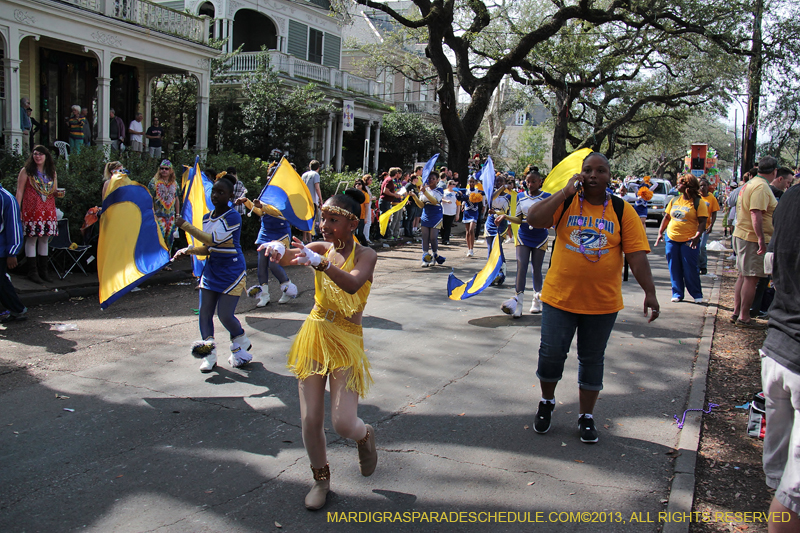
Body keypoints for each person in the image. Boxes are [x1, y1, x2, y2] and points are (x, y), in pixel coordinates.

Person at [526, 152, 659, 444]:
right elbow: (533, 219)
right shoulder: (567, 202)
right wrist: (565, 192)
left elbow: (637, 256)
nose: (593, 175)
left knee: (591, 360)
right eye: (588, 170)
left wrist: (650, 292)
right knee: (550, 355)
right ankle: (547, 402)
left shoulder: (623, 210)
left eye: (601, 170)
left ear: (610, 176)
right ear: (580, 174)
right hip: (559, 299)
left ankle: (586, 416)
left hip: (601, 303)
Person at [258, 189, 378, 511]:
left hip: (347, 339)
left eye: (333, 220)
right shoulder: (321, 248)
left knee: (343, 423)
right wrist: (276, 250)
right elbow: (290, 257)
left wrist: (321, 264)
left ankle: (364, 435)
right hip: (314, 334)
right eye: (323, 218)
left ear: (352, 224)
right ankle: (321, 480)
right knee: (310, 418)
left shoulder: (366, 255)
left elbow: (352, 283)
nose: (324, 225)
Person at [174, 174, 253, 373]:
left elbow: (212, 240)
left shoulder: (233, 216)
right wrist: (189, 250)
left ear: (230, 196)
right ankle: (209, 354)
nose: (215, 195)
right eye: (214, 192)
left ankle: (241, 338)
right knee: (204, 312)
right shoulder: (206, 217)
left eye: (221, 192)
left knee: (225, 315)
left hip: (232, 271)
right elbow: (209, 248)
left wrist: (184, 225)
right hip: (212, 269)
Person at [759, 183, 800, 533]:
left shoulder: (791, 197)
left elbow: (770, 262)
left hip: (777, 346)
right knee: (793, 496)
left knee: (782, 477)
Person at [732, 156, 779, 328]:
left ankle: (737, 312)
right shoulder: (760, 187)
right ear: (774, 171)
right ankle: (744, 316)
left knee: (744, 276)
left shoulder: (751, 183)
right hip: (751, 237)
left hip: (743, 234)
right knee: (751, 278)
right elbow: (755, 213)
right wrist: (761, 239)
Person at [498, 167, 551, 317]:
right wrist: (505, 217)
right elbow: (518, 218)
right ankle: (518, 304)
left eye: (534, 181)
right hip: (524, 235)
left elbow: (551, 217)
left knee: (536, 268)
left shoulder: (547, 197)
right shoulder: (521, 196)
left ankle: (536, 300)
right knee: (521, 267)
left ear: (540, 182)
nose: (530, 184)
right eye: (528, 181)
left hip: (540, 236)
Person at [236, 190, 298, 308]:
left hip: (280, 235)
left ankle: (287, 289)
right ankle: (264, 295)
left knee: (274, 264)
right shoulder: (267, 194)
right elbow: (260, 212)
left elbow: (278, 212)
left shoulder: (285, 198)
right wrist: (246, 201)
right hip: (265, 233)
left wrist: (262, 206)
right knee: (262, 265)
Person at [654, 174, 708, 303]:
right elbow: (667, 217)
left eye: (681, 183)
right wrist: (660, 232)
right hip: (671, 238)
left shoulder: (698, 202)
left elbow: (702, 222)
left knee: (690, 268)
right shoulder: (674, 200)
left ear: (688, 186)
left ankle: (696, 294)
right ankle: (677, 293)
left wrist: (698, 235)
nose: (678, 185)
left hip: (689, 240)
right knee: (674, 267)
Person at [15, 146, 59, 284]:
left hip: (47, 209)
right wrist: (17, 209)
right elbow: (20, 191)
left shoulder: (51, 172)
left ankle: (43, 271)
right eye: (35, 154)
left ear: (46, 156)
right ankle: (32, 272)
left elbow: (54, 190)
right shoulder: (27, 171)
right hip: (32, 209)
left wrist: (58, 193)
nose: (37, 156)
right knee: (32, 238)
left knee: (44, 239)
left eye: (40, 154)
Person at [0, 171, 27, 323]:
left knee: (1, 282)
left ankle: (17, 309)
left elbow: (14, 227)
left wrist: (12, 252)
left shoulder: (7, 198)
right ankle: (17, 309)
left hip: (2, 249)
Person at [409, 171, 445, 267]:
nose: (431, 180)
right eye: (429, 178)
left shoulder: (439, 190)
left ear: (437, 180)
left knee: (433, 237)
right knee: (425, 237)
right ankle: (425, 258)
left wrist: (425, 192)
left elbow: (435, 201)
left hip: (436, 215)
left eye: (433, 179)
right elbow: (421, 205)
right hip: (426, 214)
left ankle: (434, 255)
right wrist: (415, 196)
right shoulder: (424, 189)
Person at [484, 175, 512, 285]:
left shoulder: (508, 197)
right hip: (490, 223)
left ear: (505, 183)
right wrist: (500, 188)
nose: (499, 183)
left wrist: (495, 212)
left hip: (501, 224)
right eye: (497, 181)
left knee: (497, 247)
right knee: (490, 249)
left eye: (501, 181)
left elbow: (504, 211)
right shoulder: (492, 194)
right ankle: (490, 274)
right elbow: (492, 199)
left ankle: (501, 270)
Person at [148, 160, 180, 255]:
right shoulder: (153, 182)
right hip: (158, 215)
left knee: (170, 240)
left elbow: (176, 198)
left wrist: (177, 214)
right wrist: (152, 213)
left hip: (171, 216)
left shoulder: (174, 183)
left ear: (170, 170)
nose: (164, 170)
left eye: (166, 169)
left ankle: (167, 259)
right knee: (159, 239)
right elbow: (150, 198)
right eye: (162, 168)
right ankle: (158, 260)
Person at [697, 177, 720, 276]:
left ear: (708, 187)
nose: (702, 187)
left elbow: (714, 213)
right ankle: (696, 266)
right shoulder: (697, 197)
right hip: (695, 226)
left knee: (702, 247)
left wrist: (711, 225)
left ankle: (703, 266)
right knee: (696, 247)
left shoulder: (711, 198)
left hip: (705, 227)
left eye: (704, 185)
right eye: (701, 185)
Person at [458, 176, 485, 257]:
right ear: (468, 182)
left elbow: (484, 194)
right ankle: (469, 249)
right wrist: (462, 202)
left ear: (475, 182)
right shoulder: (466, 190)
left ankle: (472, 249)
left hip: (474, 211)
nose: (472, 183)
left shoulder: (477, 191)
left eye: (473, 182)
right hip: (467, 211)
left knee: (471, 229)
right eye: (470, 181)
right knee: (467, 231)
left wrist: (484, 205)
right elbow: (458, 192)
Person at [379, 168, 404, 240]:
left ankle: (389, 235)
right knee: (387, 219)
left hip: (388, 201)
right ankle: (384, 235)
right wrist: (394, 195)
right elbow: (385, 191)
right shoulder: (390, 180)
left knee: (395, 219)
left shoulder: (391, 180)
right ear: (396, 174)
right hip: (386, 201)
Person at [301, 161, 323, 243]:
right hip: (312, 200)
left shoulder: (304, 174)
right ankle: (310, 239)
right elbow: (317, 187)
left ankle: (304, 238)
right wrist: (320, 199)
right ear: (318, 168)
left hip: (304, 199)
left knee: (305, 218)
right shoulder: (315, 175)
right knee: (311, 219)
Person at [440, 180, 458, 245]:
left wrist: (457, 214)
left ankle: (446, 239)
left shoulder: (456, 193)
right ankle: (443, 237)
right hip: (444, 211)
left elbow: (458, 204)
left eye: (455, 184)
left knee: (448, 226)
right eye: (453, 184)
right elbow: (440, 199)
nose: (454, 186)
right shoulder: (444, 191)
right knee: (443, 226)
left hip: (452, 212)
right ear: (449, 185)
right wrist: (446, 201)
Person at [361, 174, 374, 245]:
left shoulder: (367, 188)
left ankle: (366, 237)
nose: (371, 181)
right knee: (367, 222)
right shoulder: (365, 188)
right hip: (366, 206)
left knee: (368, 222)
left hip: (368, 205)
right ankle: (366, 238)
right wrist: (372, 198)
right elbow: (366, 198)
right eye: (370, 180)